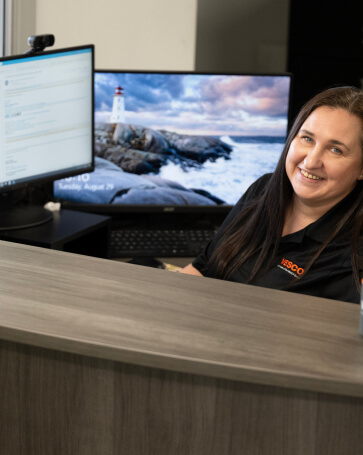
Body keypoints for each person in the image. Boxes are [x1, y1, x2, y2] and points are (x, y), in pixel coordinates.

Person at [181, 86, 363, 304]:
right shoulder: (263, 188)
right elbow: (201, 268)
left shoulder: (355, 250)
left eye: (336, 150)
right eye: (307, 138)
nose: (311, 161)